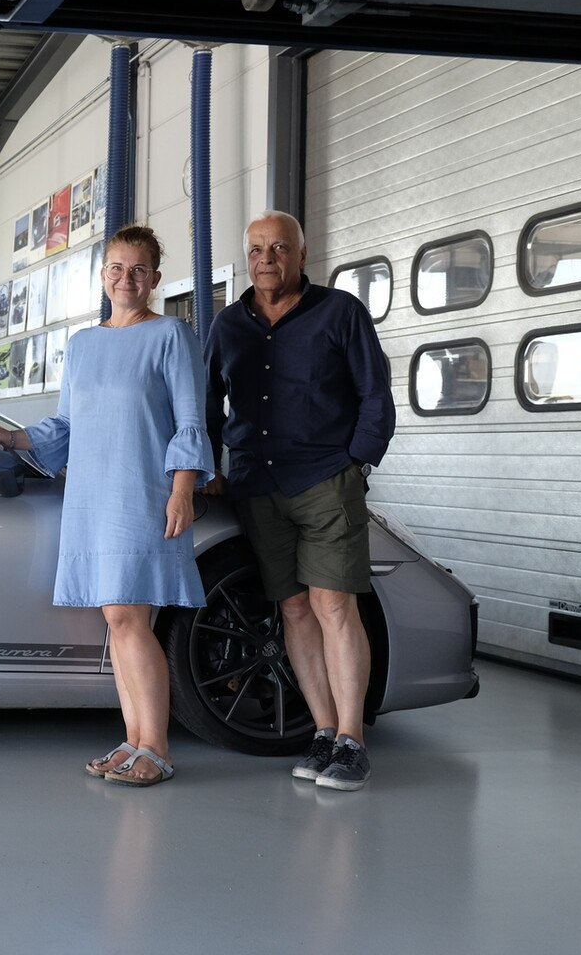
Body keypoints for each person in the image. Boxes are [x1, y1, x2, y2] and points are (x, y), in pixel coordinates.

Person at [0, 226, 214, 787]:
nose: (125, 278)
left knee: (131, 617)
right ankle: (134, 741)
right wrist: (13, 439)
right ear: (102, 276)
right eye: (115, 268)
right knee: (115, 618)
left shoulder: (171, 336)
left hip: (143, 492)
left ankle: (155, 747)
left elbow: (190, 421)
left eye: (138, 269)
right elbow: (67, 426)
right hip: (92, 493)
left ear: (155, 278)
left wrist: (183, 488)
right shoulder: (82, 345)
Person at [202, 210, 396, 791]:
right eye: (258, 248)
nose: (267, 258)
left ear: (302, 255)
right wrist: (207, 464)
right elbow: (208, 402)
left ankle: (352, 740)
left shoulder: (341, 313)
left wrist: (356, 462)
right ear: (247, 257)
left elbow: (375, 392)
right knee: (292, 609)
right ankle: (322, 732)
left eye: (280, 248)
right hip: (257, 486)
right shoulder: (228, 326)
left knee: (335, 604)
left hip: (324, 480)